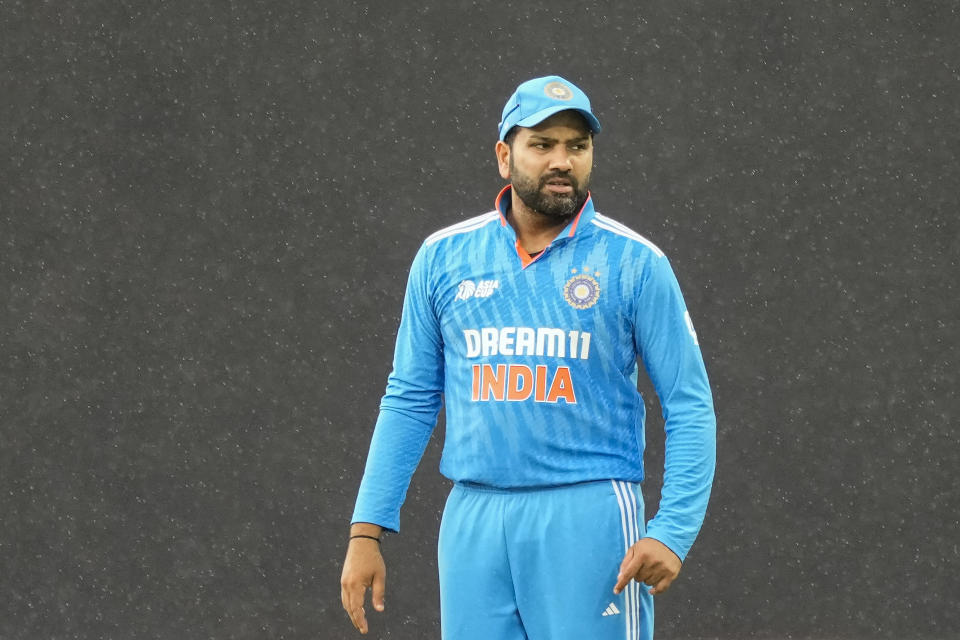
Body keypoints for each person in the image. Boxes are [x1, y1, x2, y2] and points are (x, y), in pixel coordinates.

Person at [340, 75, 716, 640]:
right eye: (542, 145)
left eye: (577, 146)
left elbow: (689, 405)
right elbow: (411, 397)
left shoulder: (635, 262)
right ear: (503, 155)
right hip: (474, 519)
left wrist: (674, 530)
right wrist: (365, 532)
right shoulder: (443, 257)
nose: (561, 161)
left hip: (587, 514)